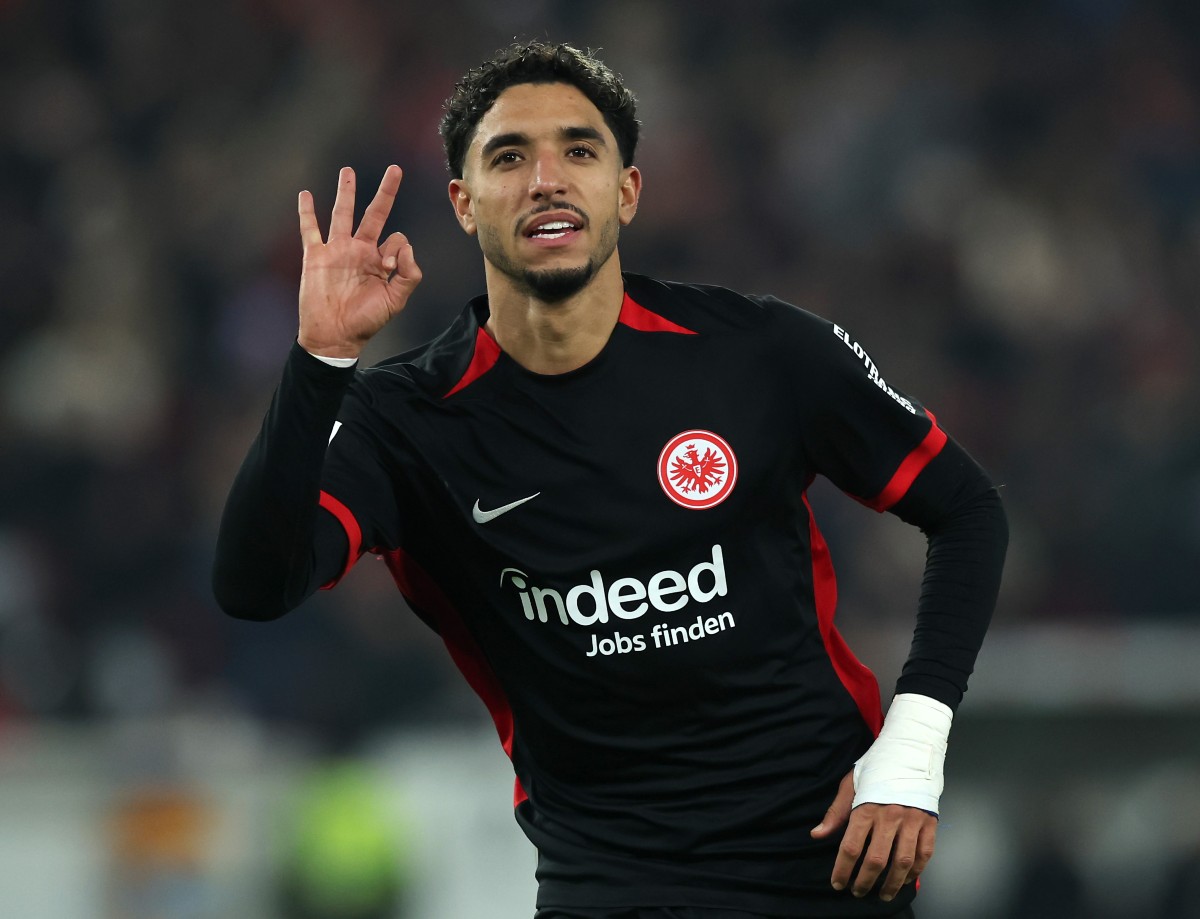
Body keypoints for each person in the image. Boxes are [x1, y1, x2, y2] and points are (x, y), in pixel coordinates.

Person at [212, 40, 1008, 919]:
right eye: (509, 156)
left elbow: (967, 509)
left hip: (827, 861)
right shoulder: (405, 421)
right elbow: (256, 583)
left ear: (626, 191)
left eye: (580, 150)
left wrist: (913, 745)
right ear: (464, 205)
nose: (547, 178)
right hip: (611, 883)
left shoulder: (762, 353)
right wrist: (321, 359)